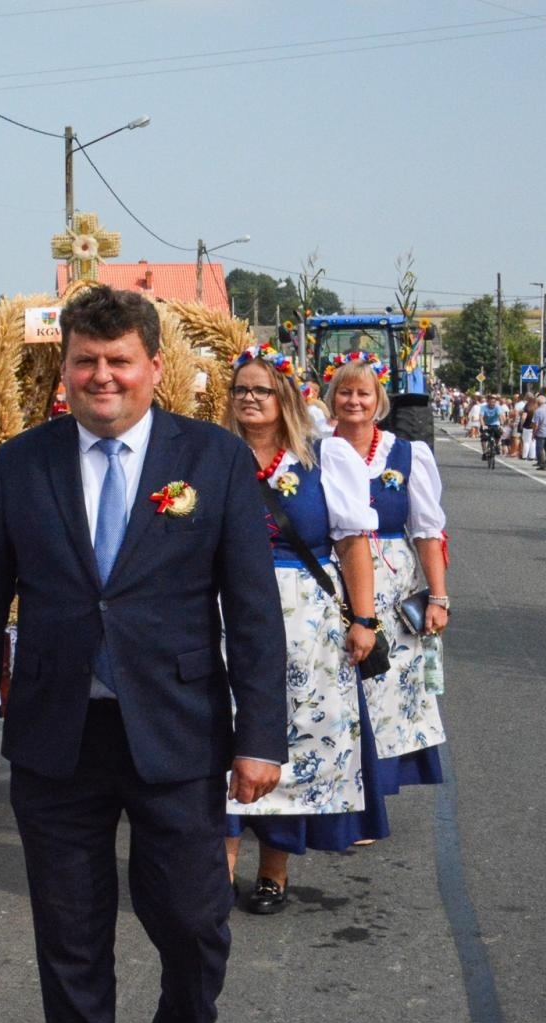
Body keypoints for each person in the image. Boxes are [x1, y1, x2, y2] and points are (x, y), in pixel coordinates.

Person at [0, 287, 286, 1023]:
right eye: (85, 362)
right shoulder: (23, 463)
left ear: (154, 368)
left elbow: (252, 610)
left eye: (119, 361)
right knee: (70, 935)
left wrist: (261, 736)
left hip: (178, 731)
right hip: (58, 735)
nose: (102, 377)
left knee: (195, 920)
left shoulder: (211, 459)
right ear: (64, 369)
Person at [225, 345, 381, 917]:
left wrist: (364, 619)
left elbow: (353, 543)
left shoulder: (325, 457)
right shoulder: (213, 455)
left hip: (307, 624)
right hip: (225, 614)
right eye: (241, 389)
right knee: (224, 735)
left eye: (261, 389)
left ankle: (274, 870)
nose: (249, 398)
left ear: (285, 395)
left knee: (293, 740)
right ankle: (220, 869)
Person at [328, 358, 449, 789]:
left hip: (393, 585)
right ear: (332, 399)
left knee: (388, 686)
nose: (354, 401)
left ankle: (376, 787)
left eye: (363, 393)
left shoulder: (407, 454)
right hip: (332, 579)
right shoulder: (315, 451)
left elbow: (427, 531)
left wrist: (438, 598)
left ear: (378, 399)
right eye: (345, 392)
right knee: (337, 680)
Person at [479, 394, 504, 460]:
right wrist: (483, 425)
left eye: (493, 402)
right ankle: (484, 452)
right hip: (486, 424)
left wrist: (501, 425)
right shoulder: (483, 407)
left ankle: (497, 445)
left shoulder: (497, 407)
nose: (492, 404)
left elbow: (500, 416)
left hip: (495, 424)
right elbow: (481, 417)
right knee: (484, 437)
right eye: (490, 402)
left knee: (498, 434)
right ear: (488, 402)